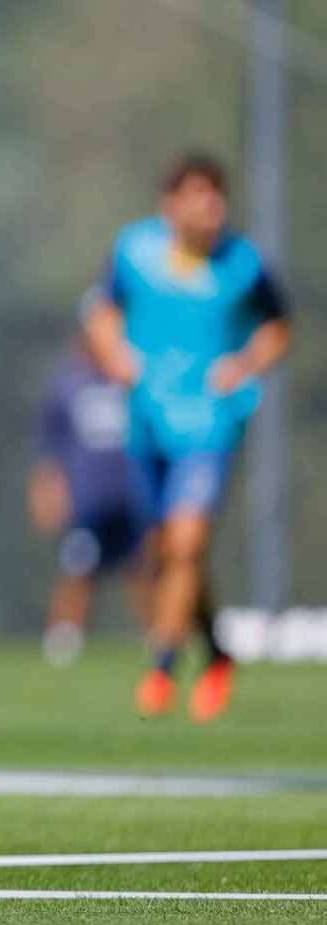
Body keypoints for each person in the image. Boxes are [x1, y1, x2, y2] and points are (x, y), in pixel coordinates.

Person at [87, 152, 292, 722]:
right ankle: (218, 652)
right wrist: (114, 355)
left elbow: (278, 326)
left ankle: (162, 668)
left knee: (188, 541)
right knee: (164, 553)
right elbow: (102, 314)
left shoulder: (244, 263)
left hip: (209, 423)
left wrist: (244, 364)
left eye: (218, 196)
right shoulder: (134, 251)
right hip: (147, 421)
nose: (212, 208)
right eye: (200, 196)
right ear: (170, 204)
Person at [28, 298, 150, 667]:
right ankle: (63, 642)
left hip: (132, 494)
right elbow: (49, 449)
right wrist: (47, 493)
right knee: (78, 568)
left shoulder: (132, 373)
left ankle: (159, 643)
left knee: (142, 570)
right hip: (87, 499)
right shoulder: (66, 381)